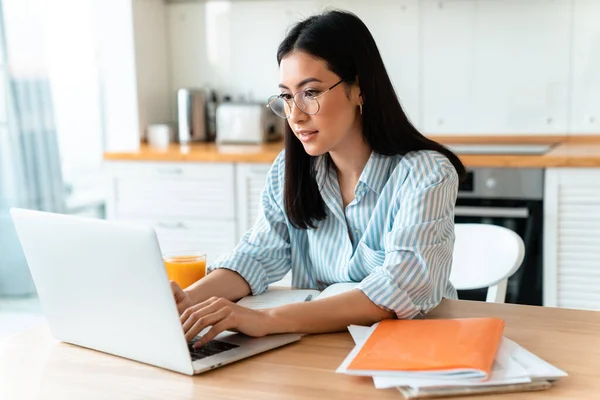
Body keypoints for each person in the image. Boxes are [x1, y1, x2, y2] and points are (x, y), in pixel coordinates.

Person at [171, 9, 466, 348]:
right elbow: (257, 255)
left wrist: (264, 321)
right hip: (320, 348)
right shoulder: (291, 170)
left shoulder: (425, 175)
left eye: (310, 93)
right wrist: (188, 300)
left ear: (359, 89)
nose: (295, 115)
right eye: (286, 96)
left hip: (411, 350)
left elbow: (397, 289)